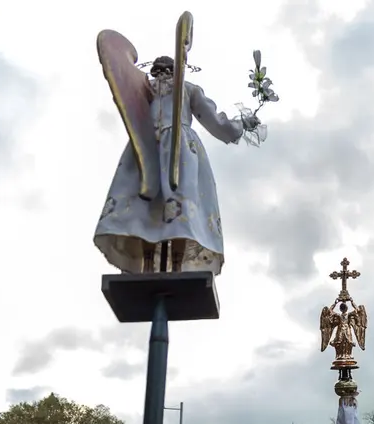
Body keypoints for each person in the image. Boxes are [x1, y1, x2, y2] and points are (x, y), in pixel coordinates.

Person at [94, 55, 261, 275]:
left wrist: (239, 125)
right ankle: (148, 263)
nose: (163, 73)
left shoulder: (187, 89)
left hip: (177, 150)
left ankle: (176, 264)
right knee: (144, 205)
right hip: (147, 149)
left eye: (166, 69)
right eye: (160, 69)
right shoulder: (143, 89)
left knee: (180, 205)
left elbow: (214, 121)